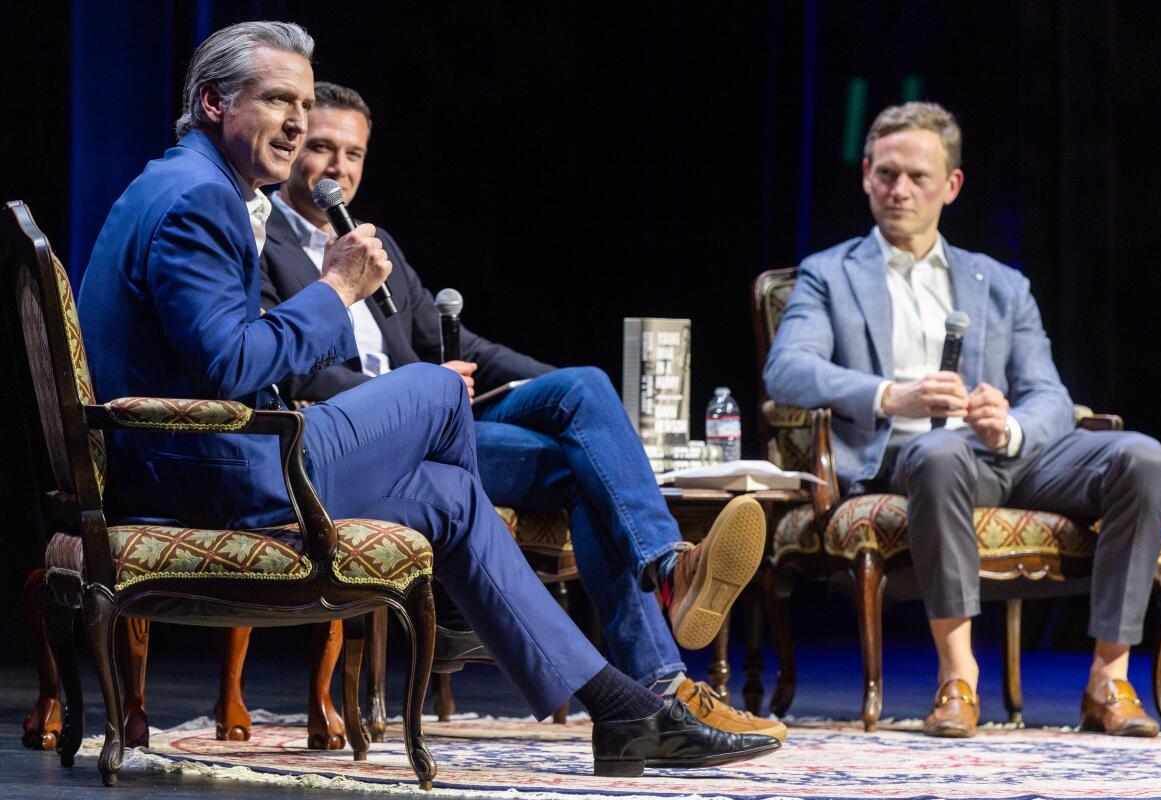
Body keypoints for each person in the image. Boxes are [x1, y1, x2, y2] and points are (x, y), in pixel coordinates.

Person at [77, 20, 779, 775]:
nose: (296, 122)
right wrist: (337, 288)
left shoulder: (189, 183)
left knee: (449, 492)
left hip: (219, 459)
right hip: (213, 476)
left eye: (303, 103)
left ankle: (627, 713)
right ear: (214, 103)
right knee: (436, 393)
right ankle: (456, 613)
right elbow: (229, 367)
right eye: (277, 99)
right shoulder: (198, 200)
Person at [253, 80, 783, 741]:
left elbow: (465, 345)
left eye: (354, 154)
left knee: (584, 394)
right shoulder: (261, 237)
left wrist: (577, 402)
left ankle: (667, 589)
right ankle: (663, 680)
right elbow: (285, 368)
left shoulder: (371, 238)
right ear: (294, 142)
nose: (340, 168)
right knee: (582, 471)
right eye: (324, 148)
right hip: (367, 437)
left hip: (445, 421)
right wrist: (420, 382)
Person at [763, 101, 1161, 738]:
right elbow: (788, 370)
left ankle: (1108, 681)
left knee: (1142, 457)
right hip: (908, 457)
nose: (900, 190)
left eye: (918, 177)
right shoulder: (828, 276)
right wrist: (889, 395)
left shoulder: (1003, 284)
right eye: (887, 174)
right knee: (939, 453)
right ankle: (959, 677)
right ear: (866, 175)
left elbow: (1049, 396)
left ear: (951, 186)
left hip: (1007, 454)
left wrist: (1006, 424)